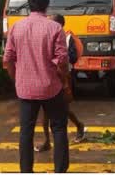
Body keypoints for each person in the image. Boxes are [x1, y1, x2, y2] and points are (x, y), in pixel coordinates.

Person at [3, 0, 70, 173]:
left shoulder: (17, 27)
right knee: (58, 129)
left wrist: (16, 79)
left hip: (25, 90)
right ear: (47, 4)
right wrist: (64, 82)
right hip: (51, 88)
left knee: (26, 132)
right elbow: (62, 61)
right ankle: (60, 170)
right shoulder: (55, 28)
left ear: (29, 4)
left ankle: (26, 170)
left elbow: (7, 59)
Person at [35, 14, 86, 152]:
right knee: (45, 109)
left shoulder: (67, 38)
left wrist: (64, 77)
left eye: (51, 22)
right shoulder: (46, 36)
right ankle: (47, 141)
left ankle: (79, 125)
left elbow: (72, 58)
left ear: (58, 25)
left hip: (63, 76)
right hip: (48, 76)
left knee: (63, 109)